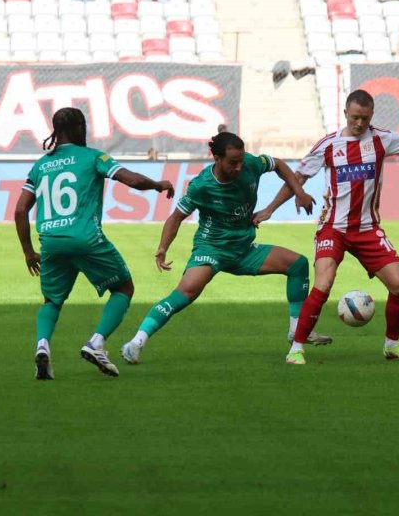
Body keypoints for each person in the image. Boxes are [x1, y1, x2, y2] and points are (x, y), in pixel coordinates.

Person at [254, 89, 399, 365]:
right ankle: (296, 348)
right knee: (324, 283)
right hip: (334, 227)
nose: (359, 124)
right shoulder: (328, 145)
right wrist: (269, 210)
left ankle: (392, 345)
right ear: (345, 113)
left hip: (367, 229)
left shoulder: (382, 139)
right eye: (355, 117)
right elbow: (298, 177)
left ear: (371, 116)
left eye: (365, 119)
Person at [119, 131, 327, 364]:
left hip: (244, 248)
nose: (239, 167)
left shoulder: (250, 163)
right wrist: (162, 247)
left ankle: (296, 331)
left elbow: (278, 164)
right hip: (212, 248)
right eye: (232, 163)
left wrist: (296, 193)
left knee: (298, 264)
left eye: (240, 160)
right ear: (216, 159)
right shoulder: (202, 185)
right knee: (184, 294)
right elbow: (176, 217)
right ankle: (136, 342)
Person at [14, 108, 175, 380]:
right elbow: (132, 179)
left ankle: (42, 347)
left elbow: (20, 211)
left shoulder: (40, 165)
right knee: (124, 287)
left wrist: (29, 252)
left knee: (52, 300)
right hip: (85, 238)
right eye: (83, 125)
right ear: (77, 127)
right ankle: (96, 343)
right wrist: (158, 184)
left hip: (51, 241)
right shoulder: (93, 157)